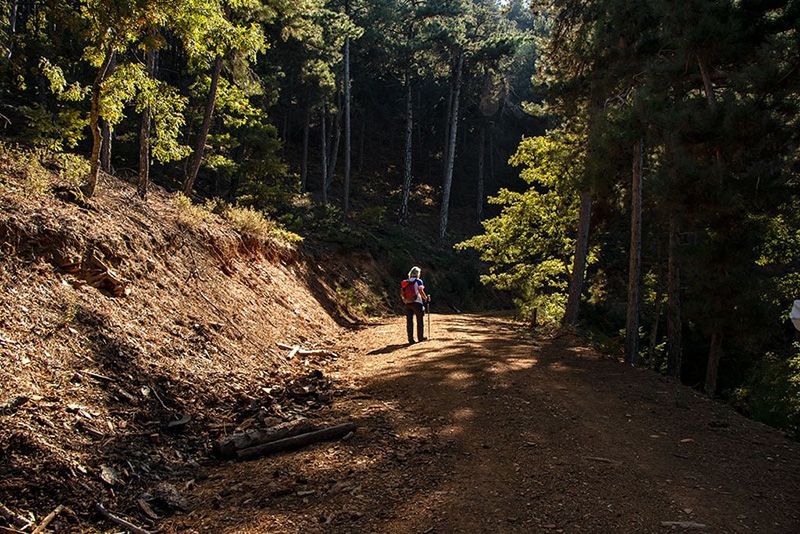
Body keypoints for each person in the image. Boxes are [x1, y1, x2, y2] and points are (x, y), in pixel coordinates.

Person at [402, 266, 429, 344]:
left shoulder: (406, 282)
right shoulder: (418, 281)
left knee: (409, 322)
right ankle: (420, 338)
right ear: (418, 274)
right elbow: (421, 291)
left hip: (407, 303)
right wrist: (426, 298)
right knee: (419, 321)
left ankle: (410, 339)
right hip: (417, 303)